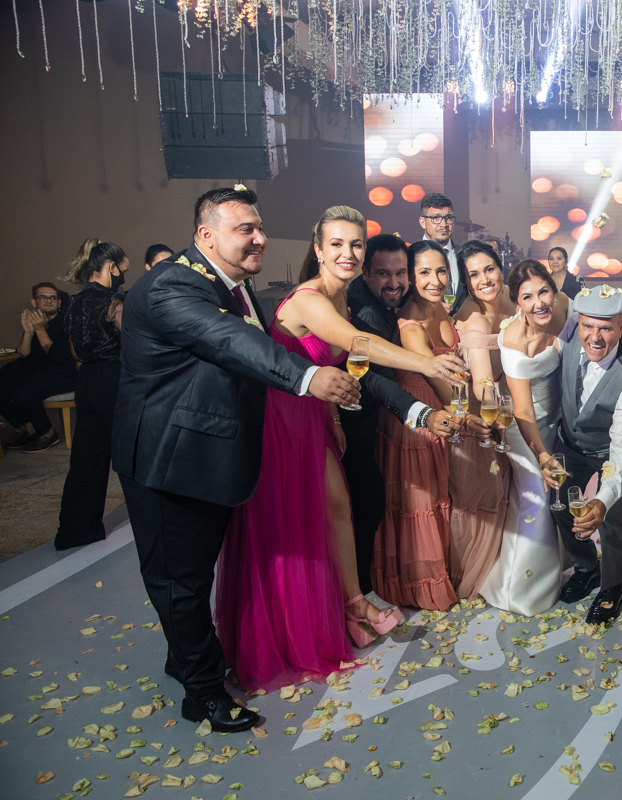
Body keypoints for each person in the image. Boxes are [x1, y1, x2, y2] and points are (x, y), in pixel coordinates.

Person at [112, 187, 363, 732]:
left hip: (208, 452)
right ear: (206, 236)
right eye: (244, 229)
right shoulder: (171, 286)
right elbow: (228, 340)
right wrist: (308, 376)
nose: (259, 239)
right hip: (167, 459)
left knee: (194, 574)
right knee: (180, 582)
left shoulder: (234, 284)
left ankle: (187, 659)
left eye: (259, 228)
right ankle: (202, 694)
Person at [214, 206, 463, 691]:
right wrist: (427, 364)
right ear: (319, 250)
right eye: (338, 244)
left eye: (355, 245)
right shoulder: (309, 300)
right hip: (280, 423)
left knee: (339, 510)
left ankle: (353, 604)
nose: (348, 253)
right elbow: (355, 342)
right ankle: (295, 630)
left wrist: (331, 417)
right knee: (295, 526)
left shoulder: (341, 297)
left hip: (313, 419)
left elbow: (335, 366)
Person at [374, 240, 472, 611]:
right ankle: (420, 587)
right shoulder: (411, 324)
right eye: (425, 272)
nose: (435, 280)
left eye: (441, 270)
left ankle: (443, 573)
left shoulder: (441, 308)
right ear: (411, 277)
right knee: (420, 508)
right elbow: (440, 385)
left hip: (442, 417)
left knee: (439, 500)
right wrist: (474, 418)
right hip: (416, 423)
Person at [546, 284, 622, 625]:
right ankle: (587, 566)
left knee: (611, 517)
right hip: (570, 446)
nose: (595, 337)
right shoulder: (569, 335)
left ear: (621, 326)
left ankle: (612, 586)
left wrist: (602, 501)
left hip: (609, 452)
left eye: (605, 328)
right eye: (588, 325)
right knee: (559, 504)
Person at [480, 260, 572, 616]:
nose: (539, 303)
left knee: (556, 496)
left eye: (544, 292)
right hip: (525, 430)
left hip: (558, 421)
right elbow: (524, 412)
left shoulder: (562, 308)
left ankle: (556, 570)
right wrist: (542, 454)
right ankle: (520, 590)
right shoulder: (514, 341)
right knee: (536, 498)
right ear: (517, 302)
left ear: (554, 290)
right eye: (528, 297)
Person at [341, 232, 409, 597]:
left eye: (400, 273)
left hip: (371, 421)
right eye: (383, 273)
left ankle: (361, 591)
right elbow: (375, 377)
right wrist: (418, 410)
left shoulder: (382, 300)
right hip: (350, 423)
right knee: (365, 504)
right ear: (365, 272)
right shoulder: (363, 312)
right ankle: (359, 594)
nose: (393, 282)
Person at [447, 240, 516, 599]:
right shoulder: (473, 317)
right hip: (479, 409)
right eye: (474, 275)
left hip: (513, 397)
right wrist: (498, 412)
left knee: (508, 487)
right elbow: (482, 382)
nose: (484, 279)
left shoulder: (515, 300)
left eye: (489, 269)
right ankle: (473, 574)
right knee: (481, 490)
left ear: (501, 267)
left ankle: (508, 567)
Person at [54, 240, 128, 548]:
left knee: (86, 458)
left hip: (85, 381)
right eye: (123, 270)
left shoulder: (73, 305)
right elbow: (133, 340)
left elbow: (74, 350)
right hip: (115, 378)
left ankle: (75, 532)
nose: (123, 275)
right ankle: (152, 523)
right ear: (111, 268)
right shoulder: (114, 301)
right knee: (131, 455)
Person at [0, 283, 77, 452]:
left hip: (63, 375)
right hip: (36, 373)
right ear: (34, 302)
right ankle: (30, 428)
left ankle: (48, 433)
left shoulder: (67, 322)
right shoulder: (35, 321)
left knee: (24, 392)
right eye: (43, 297)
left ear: (59, 302)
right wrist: (28, 333)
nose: (48, 301)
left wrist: (40, 329)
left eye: (53, 298)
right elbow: (23, 355)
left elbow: (56, 358)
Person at [418, 193, 466, 315]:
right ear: (422, 222)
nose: (443, 224)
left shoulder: (464, 256)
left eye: (448, 218)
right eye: (436, 218)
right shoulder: (410, 255)